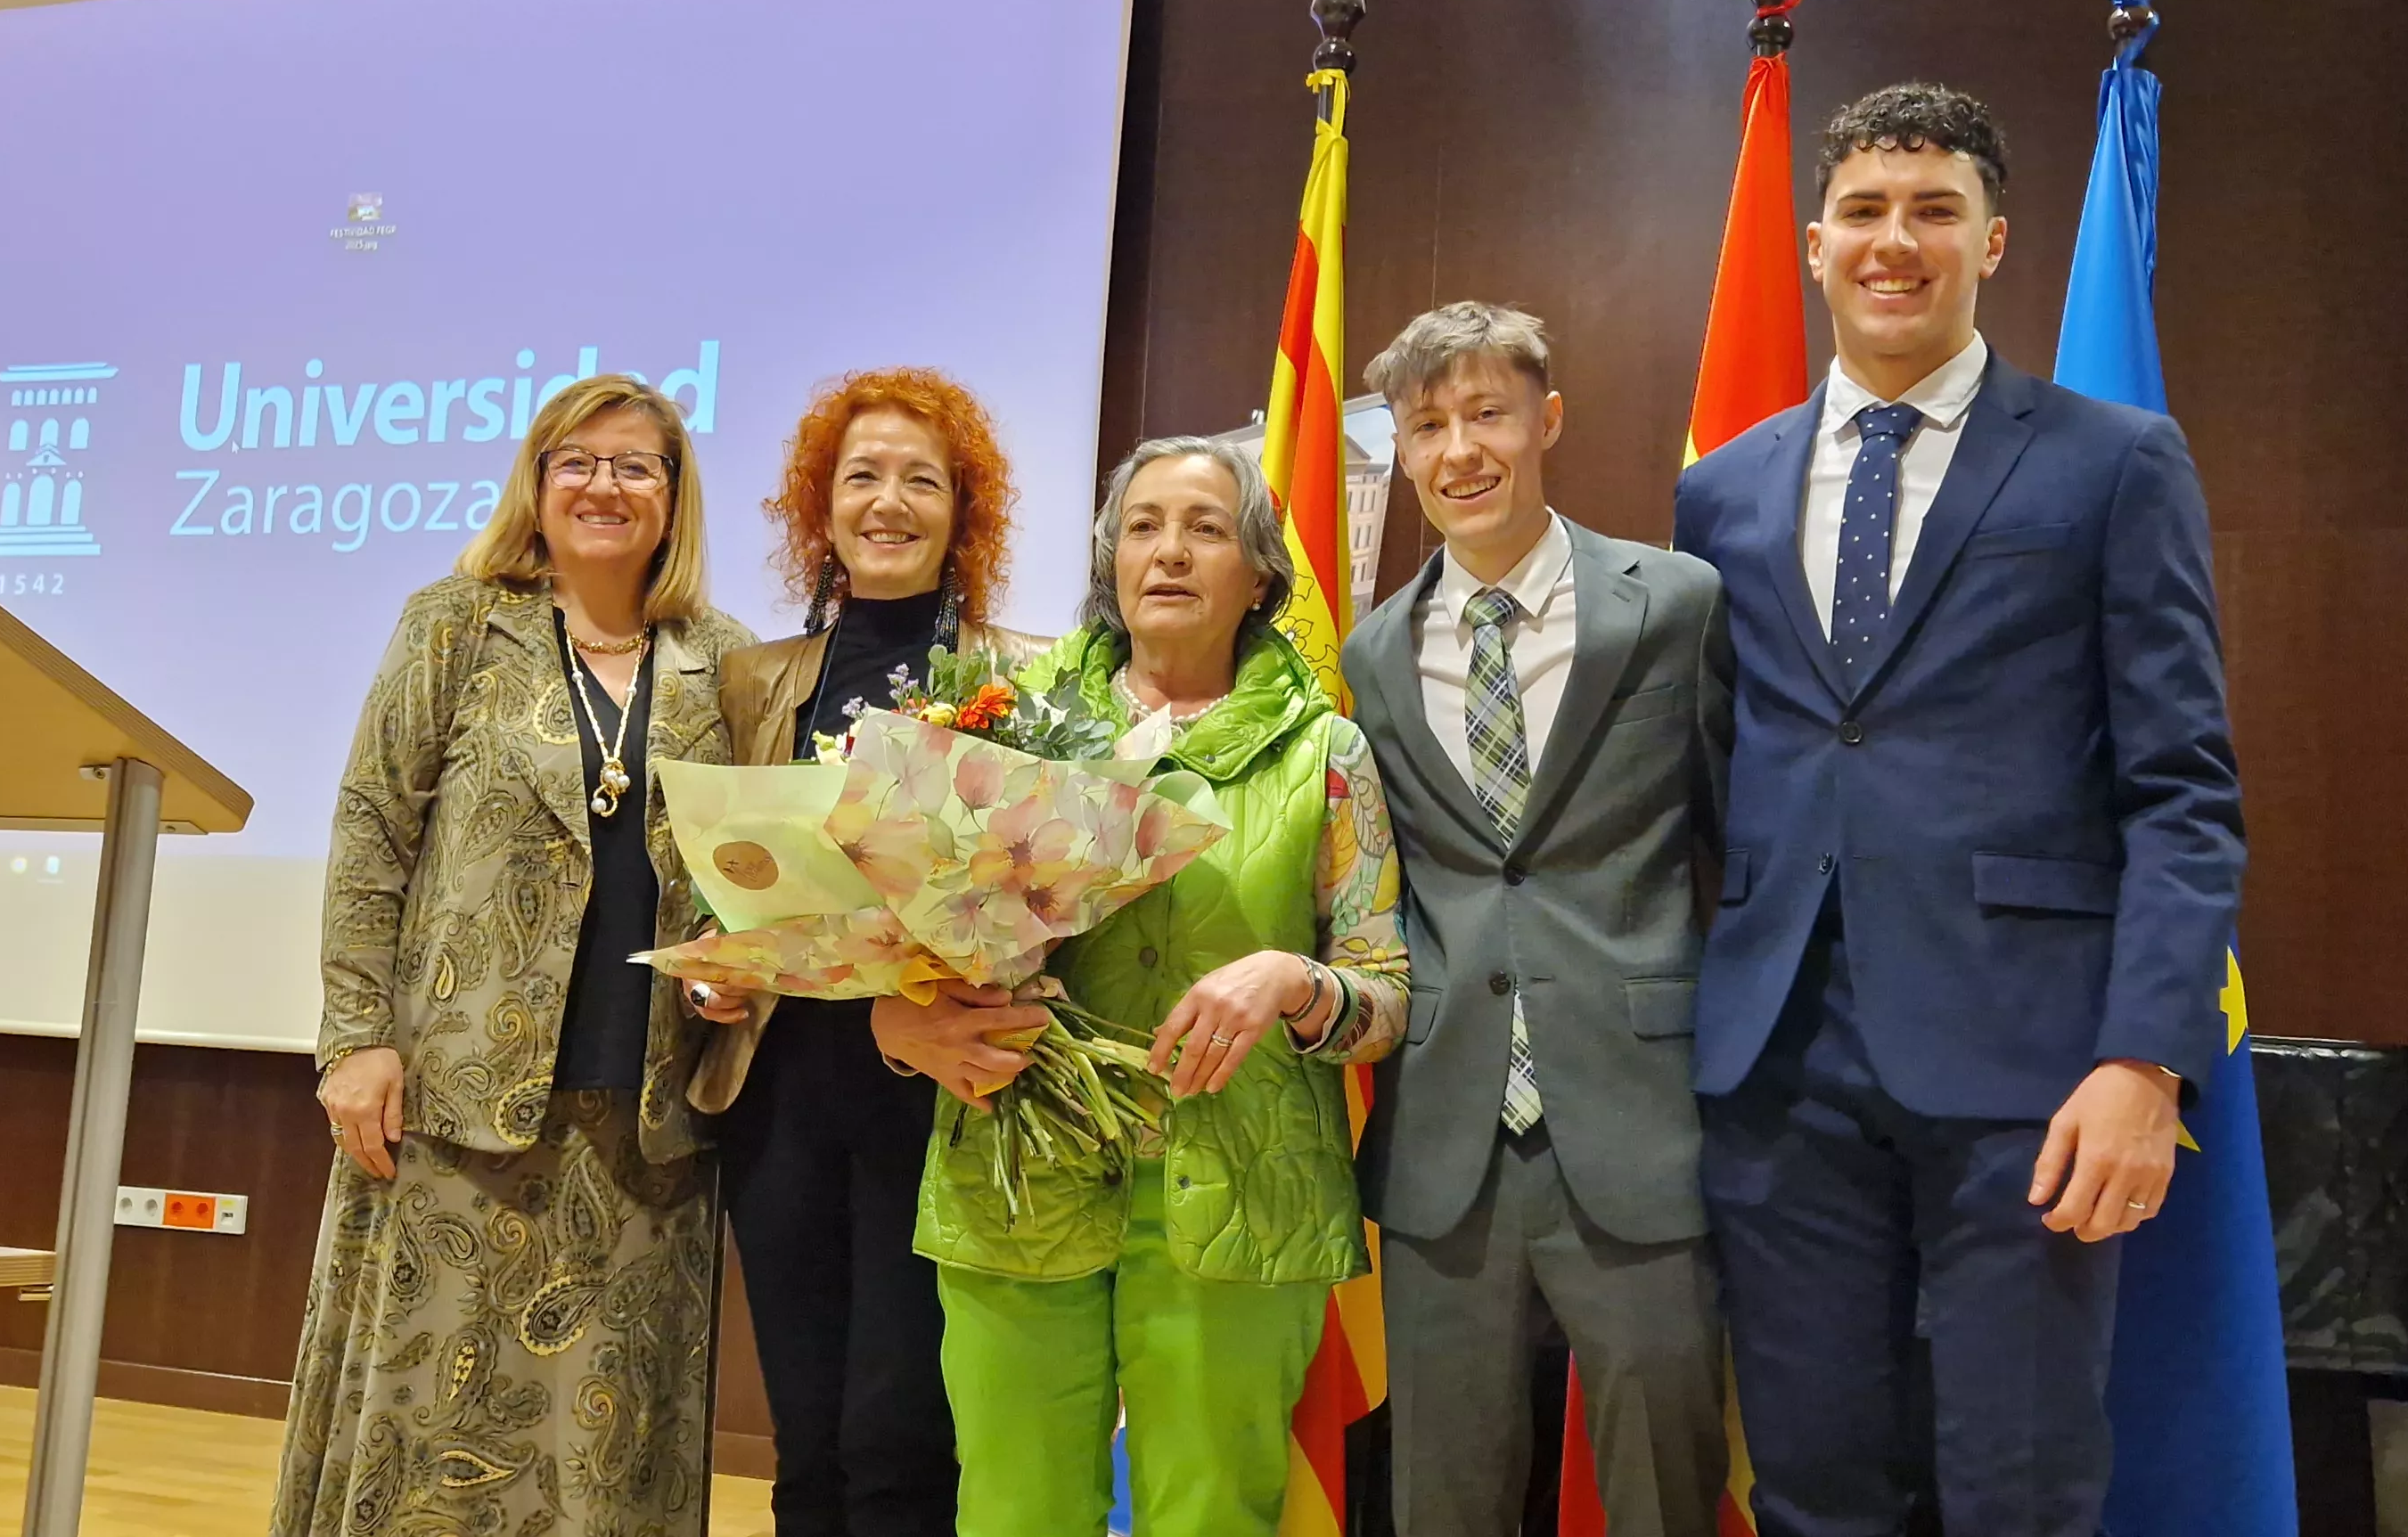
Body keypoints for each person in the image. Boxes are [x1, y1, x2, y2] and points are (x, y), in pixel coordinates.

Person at [1671, 82, 2245, 1537]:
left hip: (2032, 1073)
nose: (1896, 240)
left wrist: (2146, 1057)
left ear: (1996, 238)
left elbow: (2183, 787)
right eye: (1865, 210)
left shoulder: (2113, 463)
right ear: (1815, 242)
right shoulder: (1721, 494)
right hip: (1779, 1067)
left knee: (2019, 1487)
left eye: (1935, 209)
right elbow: (1716, 774)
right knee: (1811, 1484)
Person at [871, 434, 1412, 1537]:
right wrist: (902, 1018)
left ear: (1259, 573)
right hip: (1018, 1176)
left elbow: (1385, 995)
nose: (1168, 552)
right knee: (1015, 1511)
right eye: (1143, 527)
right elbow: (903, 956)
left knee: (1211, 1514)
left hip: (1242, 1190)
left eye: (1205, 529)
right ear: (1109, 559)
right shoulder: (996, 726)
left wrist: (1292, 981)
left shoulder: (1327, 754)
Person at [274, 373, 759, 1537]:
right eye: (577, 461)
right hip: (456, 1108)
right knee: (433, 1432)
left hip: (648, 1126)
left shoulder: (724, 658)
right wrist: (355, 1042)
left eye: (635, 464)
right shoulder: (453, 623)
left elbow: (753, 868)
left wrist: (739, 964)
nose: (604, 485)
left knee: (608, 1445)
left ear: (674, 495)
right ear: (537, 485)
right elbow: (372, 834)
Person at [1342, 302, 1734, 1537]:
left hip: (1642, 1121)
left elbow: (1747, 850)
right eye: (1428, 425)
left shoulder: (1676, 606)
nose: (1461, 449)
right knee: (1445, 1496)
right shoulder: (1371, 656)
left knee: (1665, 1487)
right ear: (1401, 453)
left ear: (1546, 420)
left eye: (1488, 414)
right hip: (1448, 1138)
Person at [694, 368, 1048, 1537]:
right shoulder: (756, 679)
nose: (888, 502)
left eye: (920, 480)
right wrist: (713, 960)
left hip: (934, 1096)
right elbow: (713, 870)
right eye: (861, 478)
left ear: (962, 511)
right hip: (783, 1099)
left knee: (901, 1435)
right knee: (806, 1437)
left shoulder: (1020, 678)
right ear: (822, 507)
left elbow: (1039, 897)